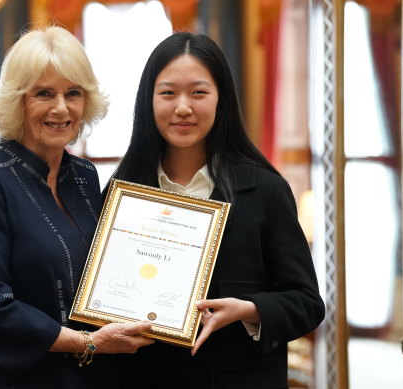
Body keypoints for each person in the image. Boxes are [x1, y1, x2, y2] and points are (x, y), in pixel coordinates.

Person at [111, 32, 325, 388]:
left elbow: (306, 303)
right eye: (167, 93)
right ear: (147, 101)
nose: (183, 107)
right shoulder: (123, 193)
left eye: (198, 92)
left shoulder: (265, 191)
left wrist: (249, 310)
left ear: (221, 99)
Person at [0, 26, 153, 389]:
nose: (61, 108)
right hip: (16, 379)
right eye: (44, 93)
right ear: (18, 100)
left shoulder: (86, 176)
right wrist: (88, 343)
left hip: (91, 376)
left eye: (73, 93)